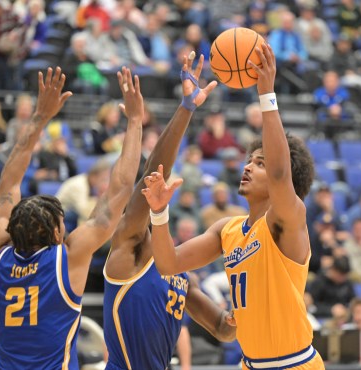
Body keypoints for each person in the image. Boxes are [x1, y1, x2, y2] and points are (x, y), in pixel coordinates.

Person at [143, 44, 323, 369]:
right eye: (249, 160)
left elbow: (282, 173)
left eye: (260, 163)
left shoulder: (288, 218)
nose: (248, 167)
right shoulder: (227, 230)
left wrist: (266, 94)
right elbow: (169, 264)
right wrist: (159, 212)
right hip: (249, 364)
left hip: (294, 364)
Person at [0, 66, 143, 369]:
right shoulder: (67, 258)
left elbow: (7, 185)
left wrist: (39, 117)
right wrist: (135, 121)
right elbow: (121, 189)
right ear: (57, 234)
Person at [102, 53, 236, 370]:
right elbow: (154, 171)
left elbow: (222, 329)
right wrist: (187, 107)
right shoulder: (129, 242)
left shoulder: (177, 272)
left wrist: (246, 303)